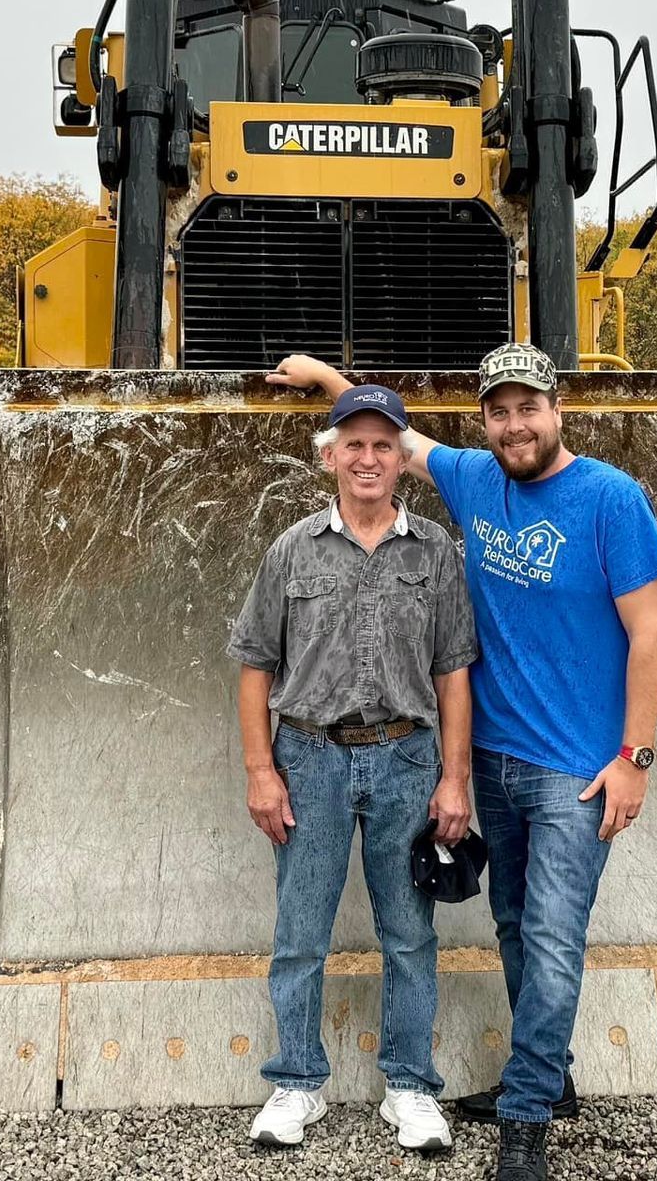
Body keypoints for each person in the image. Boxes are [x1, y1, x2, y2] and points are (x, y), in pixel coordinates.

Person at [267, 346, 657, 1181]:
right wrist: (323, 376)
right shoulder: (478, 480)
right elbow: (388, 439)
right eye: (500, 411)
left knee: (555, 938)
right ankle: (548, 1079)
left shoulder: (610, 499)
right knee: (518, 928)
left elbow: (652, 632)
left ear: (558, 410)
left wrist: (634, 756)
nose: (515, 425)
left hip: (579, 770)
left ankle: (525, 1117)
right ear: (485, 420)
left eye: (529, 408)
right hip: (496, 758)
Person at [227, 384, 478, 1152]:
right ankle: (296, 1085)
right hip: (308, 759)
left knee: (409, 934)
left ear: (403, 459)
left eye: (383, 445)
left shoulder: (434, 551)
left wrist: (453, 776)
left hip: (407, 758)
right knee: (301, 931)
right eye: (353, 444)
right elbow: (253, 664)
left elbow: (454, 670)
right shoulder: (292, 548)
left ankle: (409, 1087)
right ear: (329, 456)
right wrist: (260, 770)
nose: (367, 458)